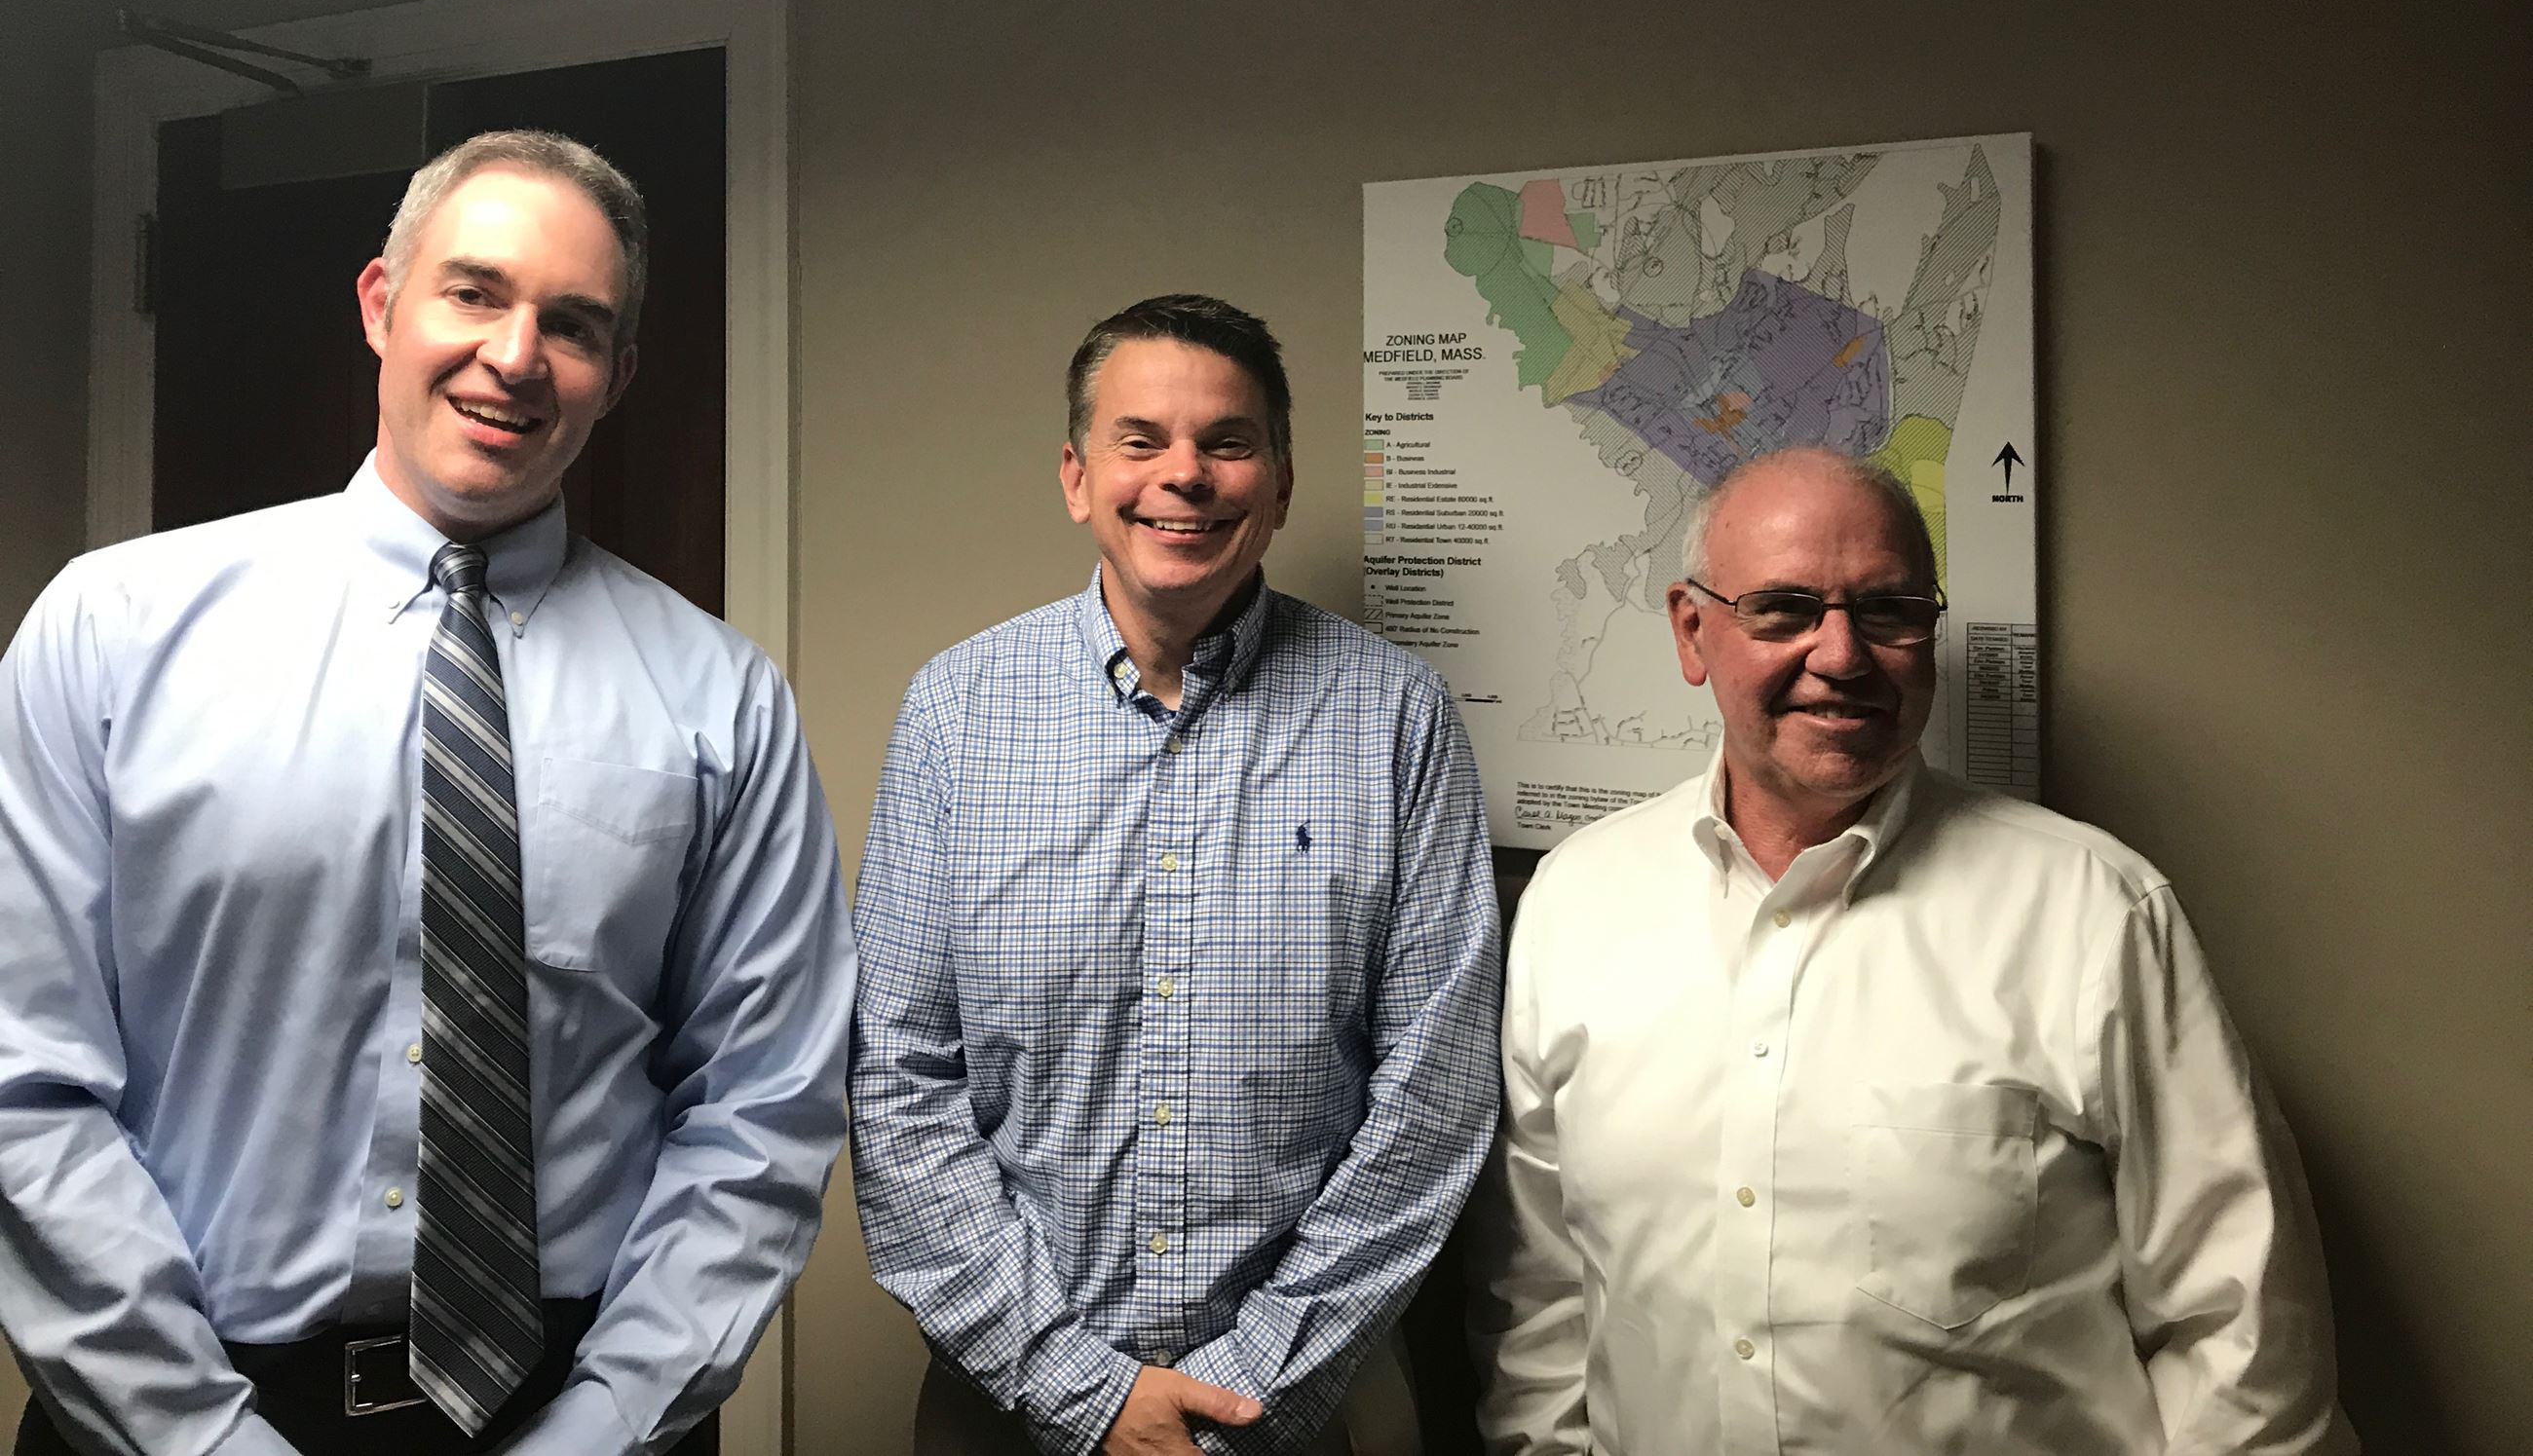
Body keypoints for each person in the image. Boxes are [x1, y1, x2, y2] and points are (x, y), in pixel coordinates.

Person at [0, 131, 856, 1456]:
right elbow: (25, 1076)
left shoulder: (720, 697)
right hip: (179, 1402)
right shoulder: (112, 631)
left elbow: (765, 1102)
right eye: (474, 292)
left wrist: (603, 1426)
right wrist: (204, 1439)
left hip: (587, 1407)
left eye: (572, 324)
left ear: (619, 374)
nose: (516, 355)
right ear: (381, 303)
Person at [1467, 446, 2355, 1454]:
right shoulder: (1575, 902)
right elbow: (1540, 1296)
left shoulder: (2092, 913)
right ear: (1692, 629)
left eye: (1887, 611)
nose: (1841, 654)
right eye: (1784, 609)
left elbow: (2240, 1333)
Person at [851, 294, 1499, 1456]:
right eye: (1139, 440)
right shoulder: (956, 711)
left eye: (1227, 442)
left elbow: (1434, 1092)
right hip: (1006, 1403)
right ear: (1076, 476)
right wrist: (1083, 1393)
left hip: (1310, 1410)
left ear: (1280, 484)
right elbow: (897, 1077)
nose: (1183, 475)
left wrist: (1251, 1387)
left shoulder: (1396, 718)